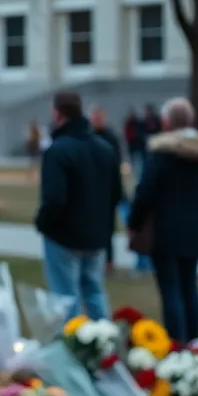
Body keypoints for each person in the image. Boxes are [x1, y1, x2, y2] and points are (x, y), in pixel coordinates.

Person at [127, 99, 198, 344]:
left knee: (171, 289)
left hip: (166, 230)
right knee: (190, 286)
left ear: (167, 122)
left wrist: (134, 223)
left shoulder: (162, 155)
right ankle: (195, 339)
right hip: (197, 228)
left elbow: (145, 191)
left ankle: (176, 342)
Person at [36, 92, 123, 320]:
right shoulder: (105, 148)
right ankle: (104, 345)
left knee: (66, 299)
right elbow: (117, 194)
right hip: (96, 234)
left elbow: (54, 198)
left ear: (57, 113)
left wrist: (43, 223)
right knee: (94, 292)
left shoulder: (58, 150)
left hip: (65, 236)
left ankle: (72, 347)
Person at [90, 106, 124, 273]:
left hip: (107, 190)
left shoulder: (111, 138)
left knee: (109, 227)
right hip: (92, 189)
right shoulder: (89, 138)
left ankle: (108, 260)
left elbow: (116, 166)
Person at [123, 108, 146, 178]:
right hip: (133, 147)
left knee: (141, 164)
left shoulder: (139, 123)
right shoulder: (129, 124)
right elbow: (128, 136)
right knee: (136, 165)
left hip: (139, 146)